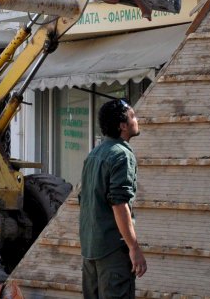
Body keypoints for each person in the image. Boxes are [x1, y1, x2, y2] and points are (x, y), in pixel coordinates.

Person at [79, 99, 147, 299]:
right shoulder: (122, 155)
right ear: (122, 126)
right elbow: (119, 203)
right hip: (112, 253)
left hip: (90, 249)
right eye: (133, 116)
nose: (137, 120)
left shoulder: (94, 154)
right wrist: (134, 248)